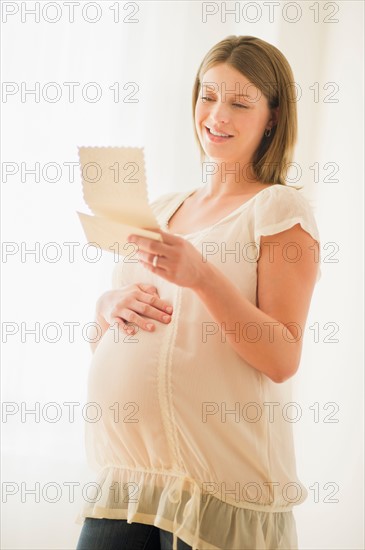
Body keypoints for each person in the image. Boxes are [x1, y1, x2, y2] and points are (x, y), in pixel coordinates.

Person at [75, 35, 321, 550]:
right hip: (129, 478)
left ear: (272, 117)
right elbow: (116, 339)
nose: (216, 114)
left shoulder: (277, 211)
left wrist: (203, 276)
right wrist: (105, 309)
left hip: (215, 485)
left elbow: (280, 357)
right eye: (207, 96)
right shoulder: (162, 208)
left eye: (239, 101)